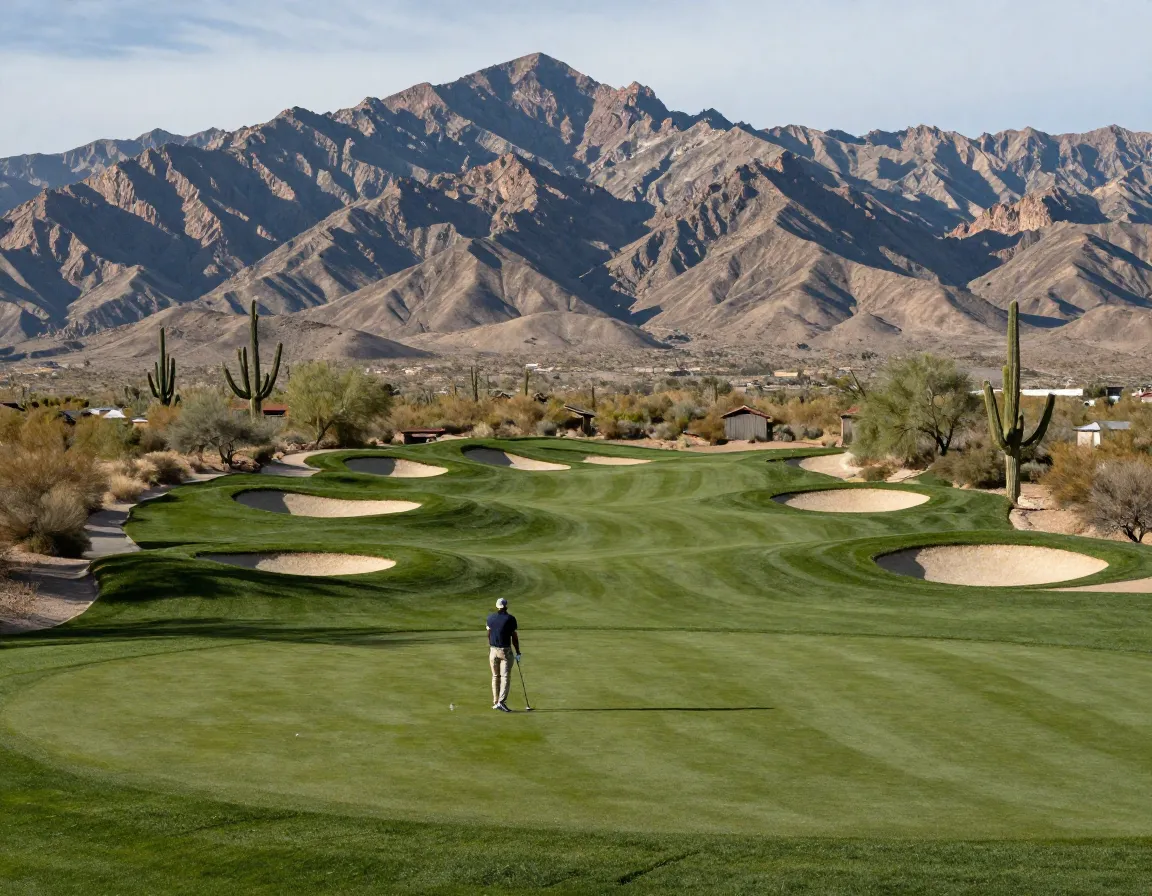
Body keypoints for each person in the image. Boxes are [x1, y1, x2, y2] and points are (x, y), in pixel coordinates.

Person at [486, 597, 520, 712]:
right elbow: (514, 637)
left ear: (497, 606)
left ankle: (496, 702)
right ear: (506, 606)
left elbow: (489, 633)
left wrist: (492, 647)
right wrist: (518, 652)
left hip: (493, 651)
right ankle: (501, 702)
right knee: (505, 677)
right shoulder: (510, 619)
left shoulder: (490, 618)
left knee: (495, 676)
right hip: (505, 651)